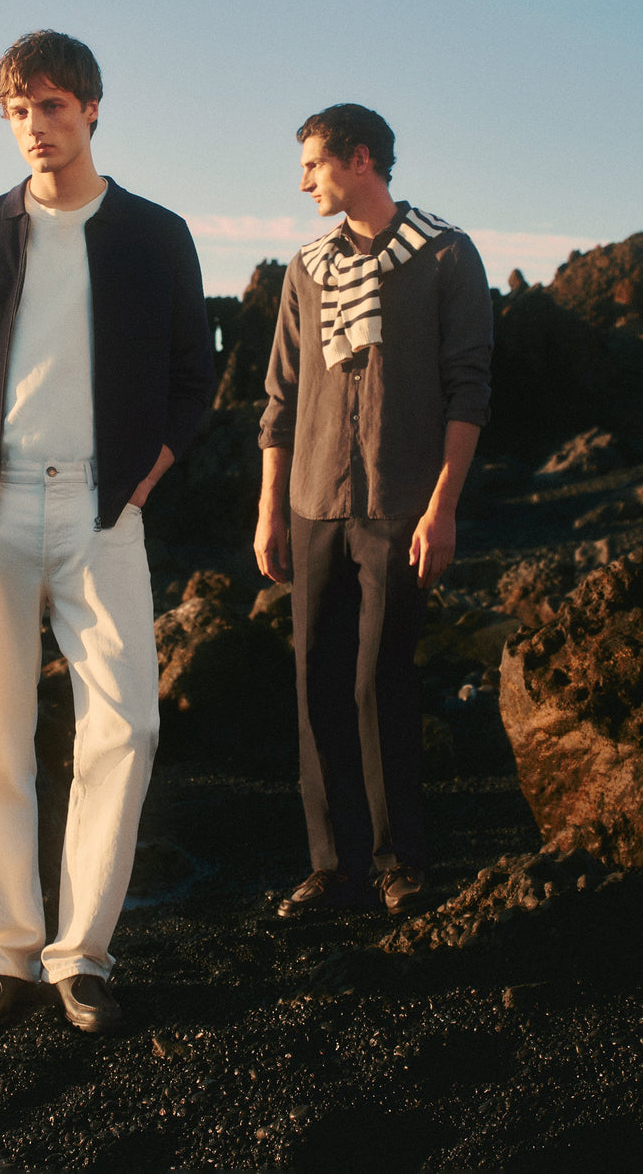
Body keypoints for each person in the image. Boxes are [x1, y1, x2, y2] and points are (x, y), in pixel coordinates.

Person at [0, 30, 215, 1034]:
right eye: (18, 111)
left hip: (102, 506)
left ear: (90, 109)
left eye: (51, 106)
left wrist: (141, 482)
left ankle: (81, 956)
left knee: (126, 728)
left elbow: (193, 378)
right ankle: (2, 957)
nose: (35, 126)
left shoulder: (154, 235)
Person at [255, 104, 492, 918]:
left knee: (381, 681)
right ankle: (334, 869)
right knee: (315, 682)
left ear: (360, 160)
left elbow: (469, 390)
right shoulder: (306, 268)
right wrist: (270, 510)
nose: (303, 183)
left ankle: (400, 863)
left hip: (401, 501)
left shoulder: (446, 254)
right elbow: (280, 397)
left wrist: (442, 509)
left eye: (313, 165)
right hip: (314, 498)